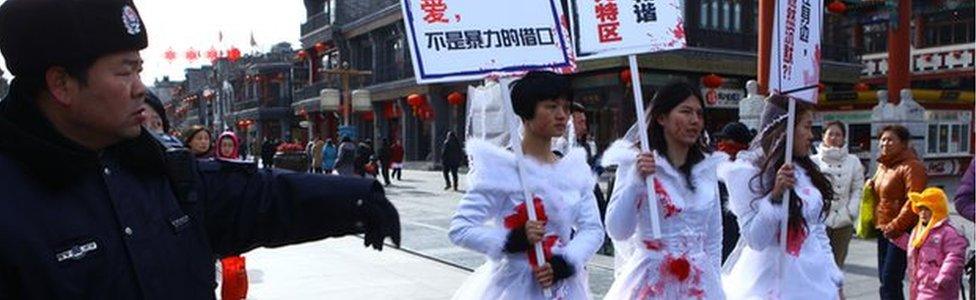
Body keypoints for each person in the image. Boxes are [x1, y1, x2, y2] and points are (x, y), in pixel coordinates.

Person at [0, 1, 400, 297]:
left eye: (140, 69)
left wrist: (355, 199)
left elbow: (255, 198)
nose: (142, 89)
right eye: (125, 71)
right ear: (62, 84)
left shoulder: (157, 166)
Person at [449, 71, 604, 299]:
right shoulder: (501, 170)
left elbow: (593, 229)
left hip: (564, 287)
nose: (562, 115)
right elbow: (460, 228)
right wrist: (513, 239)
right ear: (525, 114)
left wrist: (564, 263)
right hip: (515, 286)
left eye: (565, 107)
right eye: (551, 107)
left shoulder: (573, 170)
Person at [601, 82, 725, 299]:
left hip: (698, 284)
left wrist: (714, 284)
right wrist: (635, 182)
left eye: (699, 113)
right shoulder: (637, 163)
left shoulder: (706, 169)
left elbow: (713, 238)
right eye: (685, 112)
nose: (694, 120)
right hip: (650, 282)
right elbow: (617, 230)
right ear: (661, 118)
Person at [718, 95, 843, 299]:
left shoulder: (807, 170)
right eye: (806, 126)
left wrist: (834, 278)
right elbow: (755, 239)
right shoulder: (746, 173)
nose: (811, 135)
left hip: (812, 279)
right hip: (768, 281)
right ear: (785, 130)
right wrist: (775, 197)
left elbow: (817, 231)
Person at [872, 124, 927, 300]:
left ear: (903, 143)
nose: (885, 143)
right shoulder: (883, 166)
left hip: (902, 230)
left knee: (890, 279)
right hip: (883, 228)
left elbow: (914, 200)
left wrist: (896, 226)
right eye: (882, 139)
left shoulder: (913, 166)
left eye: (890, 139)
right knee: (884, 279)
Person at [896, 188, 969, 300]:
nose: (922, 213)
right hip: (920, 286)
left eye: (927, 209)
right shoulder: (919, 230)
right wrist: (897, 237)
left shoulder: (949, 232)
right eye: (920, 209)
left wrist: (943, 278)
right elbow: (913, 247)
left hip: (939, 288)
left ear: (937, 210)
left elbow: (954, 257)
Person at [811, 121, 865, 269]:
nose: (834, 138)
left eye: (838, 134)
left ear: (844, 138)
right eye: (830, 134)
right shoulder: (813, 162)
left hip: (843, 220)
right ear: (823, 137)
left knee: (837, 265)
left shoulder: (853, 161)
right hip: (820, 221)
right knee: (818, 265)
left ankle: (835, 292)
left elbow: (858, 188)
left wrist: (851, 211)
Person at [712, 121, 752, 263]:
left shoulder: (750, 169)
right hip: (718, 227)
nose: (721, 144)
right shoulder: (713, 166)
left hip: (740, 229)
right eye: (720, 140)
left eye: (725, 140)